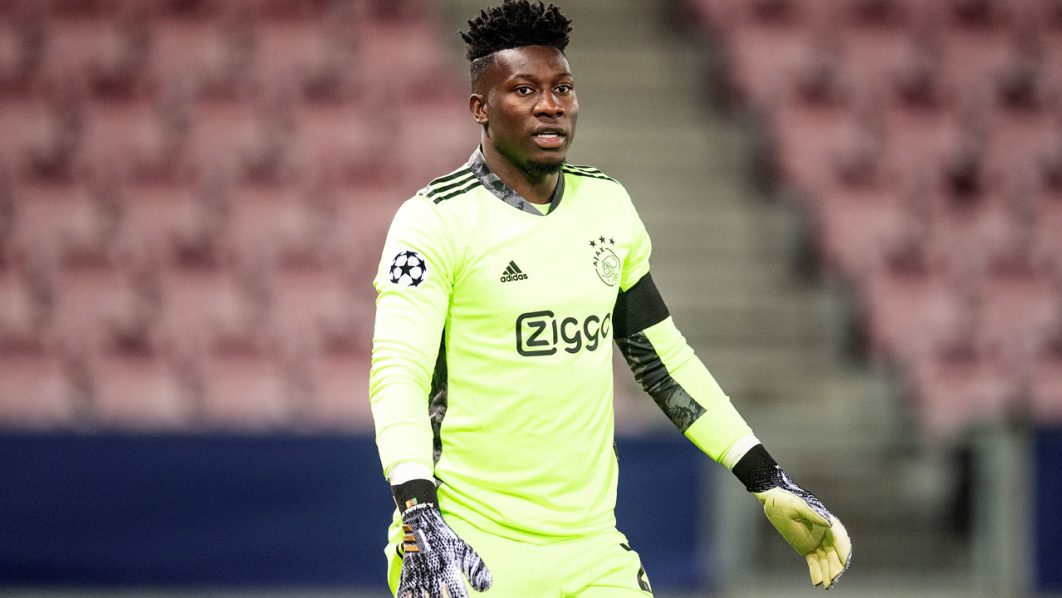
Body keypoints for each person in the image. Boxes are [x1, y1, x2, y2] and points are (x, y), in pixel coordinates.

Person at [369, 1, 852, 596]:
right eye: (524, 90)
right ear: (480, 108)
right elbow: (398, 376)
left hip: (592, 551)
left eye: (563, 88)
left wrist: (765, 477)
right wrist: (418, 512)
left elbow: (663, 362)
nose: (550, 105)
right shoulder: (433, 221)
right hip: (467, 543)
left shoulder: (607, 205)